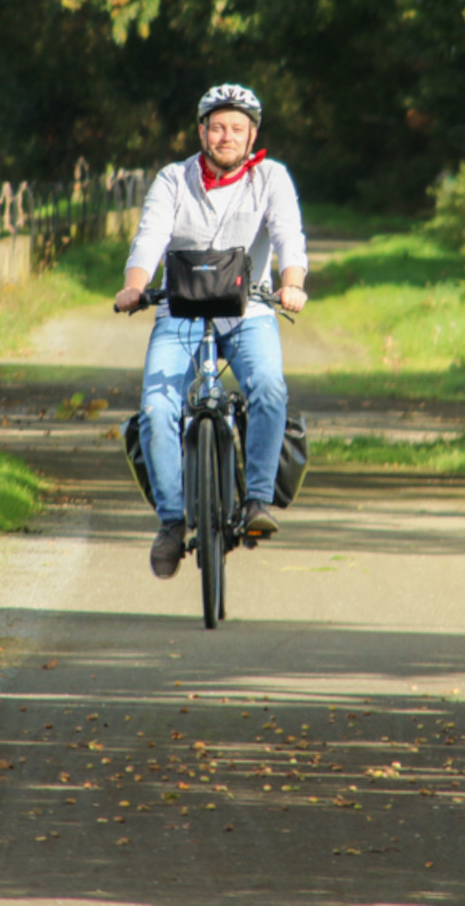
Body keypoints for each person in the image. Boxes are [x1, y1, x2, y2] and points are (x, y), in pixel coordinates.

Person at [114, 83, 308, 579]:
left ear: (252, 136)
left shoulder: (271, 178)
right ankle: (172, 522)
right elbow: (151, 235)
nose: (226, 136)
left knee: (267, 387)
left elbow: (289, 236)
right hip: (178, 314)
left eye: (237, 129)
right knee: (157, 409)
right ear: (201, 131)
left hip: (251, 314)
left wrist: (292, 284)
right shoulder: (174, 179)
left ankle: (257, 502)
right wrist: (135, 286)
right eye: (217, 126)